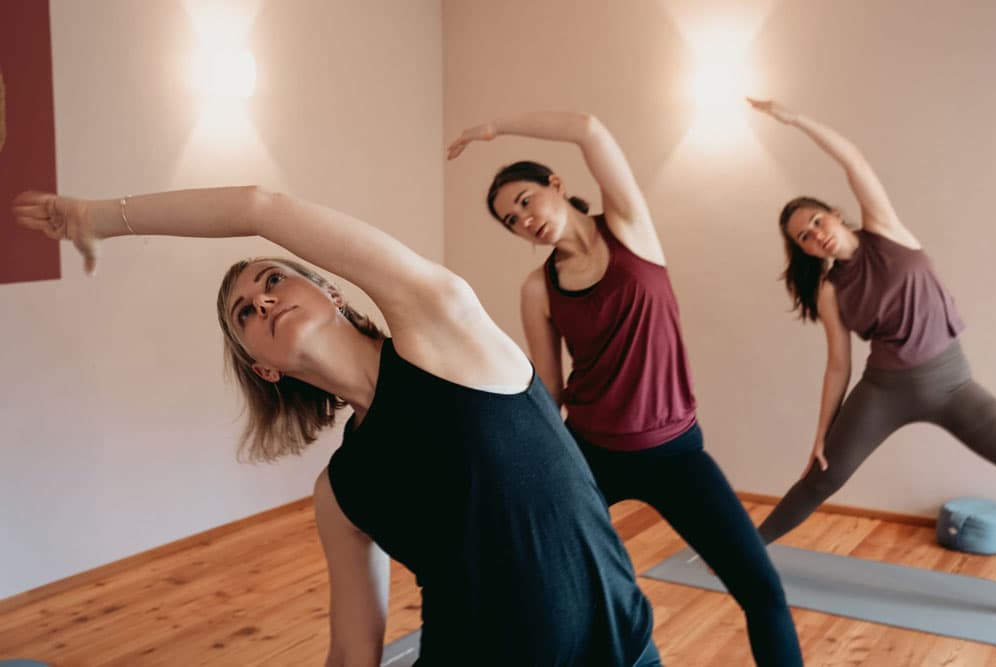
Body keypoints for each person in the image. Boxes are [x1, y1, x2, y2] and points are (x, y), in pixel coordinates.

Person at [12, 186, 662, 666]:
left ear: (334, 291)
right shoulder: (342, 492)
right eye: (245, 313)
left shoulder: (448, 331)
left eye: (273, 279)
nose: (262, 299)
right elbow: (354, 649)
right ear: (264, 368)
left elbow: (259, 205)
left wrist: (97, 217)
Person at [447, 111, 803, 666]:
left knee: (763, 590)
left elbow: (590, 129)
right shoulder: (538, 289)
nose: (522, 220)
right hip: (590, 456)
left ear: (556, 187)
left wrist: (492, 127)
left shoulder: (631, 228)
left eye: (524, 201)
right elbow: (548, 387)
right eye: (510, 221)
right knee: (534, 587)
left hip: (676, 453)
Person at [746, 98, 996, 545]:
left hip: (952, 383)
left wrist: (796, 118)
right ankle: (746, 551)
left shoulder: (885, 230)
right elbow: (838, 366)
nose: (816, 234)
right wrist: (821, 434)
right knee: (822, 476)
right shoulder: (830, 290)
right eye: (805, 236)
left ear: (836, 215)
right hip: (886, 390)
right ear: (804, 250)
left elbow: (853, 160)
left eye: (817, 221)